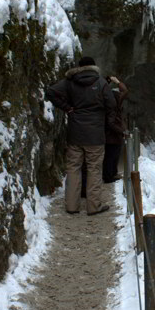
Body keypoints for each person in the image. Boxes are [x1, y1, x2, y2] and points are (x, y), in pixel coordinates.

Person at [46, 56, 116, 216]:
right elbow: (111, 104)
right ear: (93, 66)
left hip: (75, 134)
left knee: (73, 168)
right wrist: (107, 123)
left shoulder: (70, 82)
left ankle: (71, 206)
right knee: (94, 169)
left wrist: (67, 108)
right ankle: (93, 206)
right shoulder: (101, 82)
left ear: (80, 67)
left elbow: (51, 92)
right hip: (96, 135)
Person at [104, 76, 129, 183]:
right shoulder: (114, 103)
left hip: (108, 132)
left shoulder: (102, 98)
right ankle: (109, 176)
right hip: (112, 133)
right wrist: (117, 81)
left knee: (112, 155)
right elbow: (125, 91)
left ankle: (111, 174)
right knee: (111, 155)